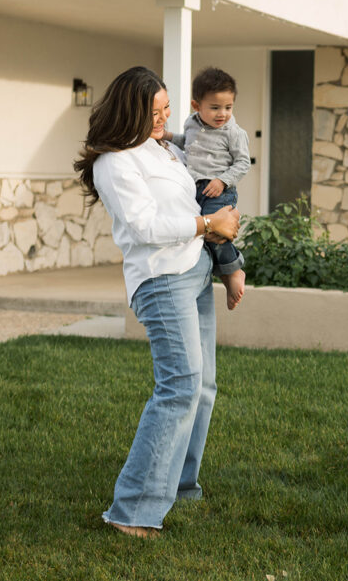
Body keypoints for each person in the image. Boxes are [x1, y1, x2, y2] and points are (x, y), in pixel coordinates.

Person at [74, 66, 241, 538]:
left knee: (203, 386)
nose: (165, 119)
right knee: (179, 387)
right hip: (161, 280)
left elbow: (192, 203)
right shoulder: (116, 161)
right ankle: (133, 511)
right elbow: (145, 228)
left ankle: (180, 483)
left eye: (167, 110)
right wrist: (210, 227)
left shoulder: (163, 149)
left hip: (195, 268)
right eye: (155, 112)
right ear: (130, 111)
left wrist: (226, 256)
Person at [163, 66, 251, 311]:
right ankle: (216, 274)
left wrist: (222, 180)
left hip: (219, 189)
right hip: (195, 189)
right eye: (215, 108)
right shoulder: (191, 123)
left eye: (228, 107)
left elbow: (243, 163)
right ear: (196, 105)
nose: (222, 114)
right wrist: (168, 136)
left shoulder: (233, 132)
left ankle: (233, 272)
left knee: (218, 234)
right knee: (201, 236)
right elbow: (189, 144)